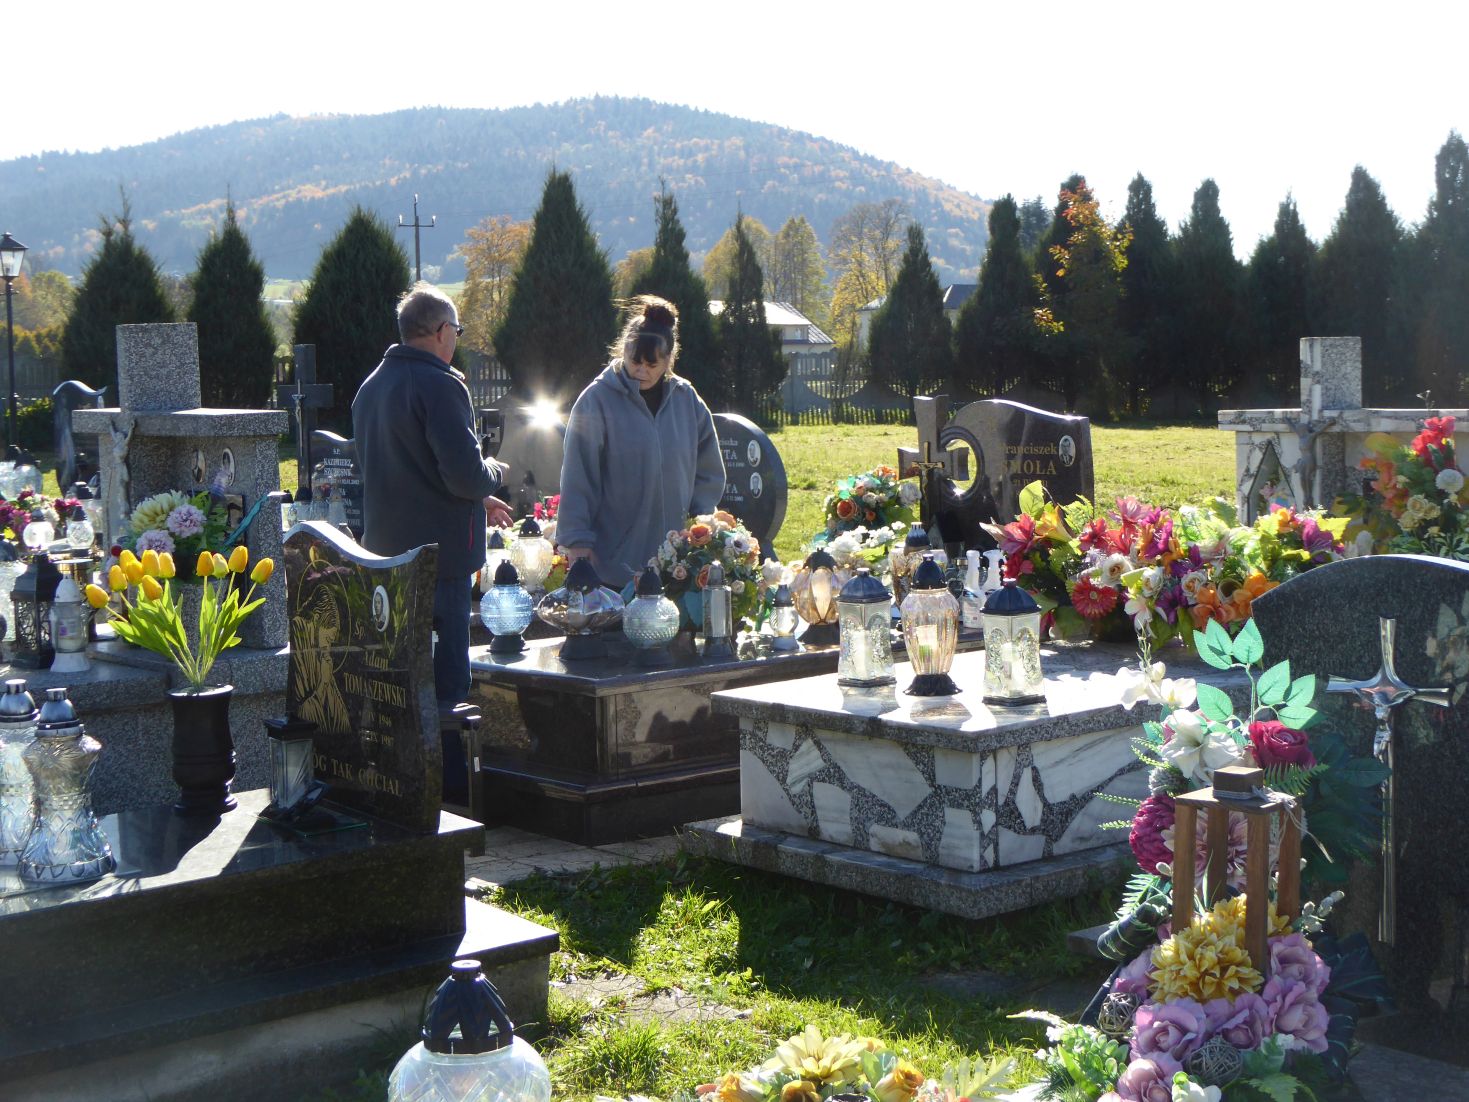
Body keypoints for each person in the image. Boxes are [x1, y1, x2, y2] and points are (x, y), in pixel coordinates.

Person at [353, 282, 513, 716]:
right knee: (446, 693)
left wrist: (480, 501)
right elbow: (466, 476)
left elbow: (405, 470)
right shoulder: (440, 384)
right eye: (457, 332)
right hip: (439, 564)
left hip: (387, 558)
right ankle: (450, 763)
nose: (455, 341)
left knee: (398, 690)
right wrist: (494, 472)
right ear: (443, 331)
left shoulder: (370, 387)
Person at [557, 295, 725, 588]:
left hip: (677, 565)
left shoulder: (687, 400)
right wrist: (577, 540)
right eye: (635, 361)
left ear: (668, 360)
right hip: (614, 564)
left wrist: (699, 523)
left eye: (652, 364)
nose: (642, 371)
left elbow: (708, 470)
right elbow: (578, 476)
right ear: (624, 350)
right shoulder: (596, 401)